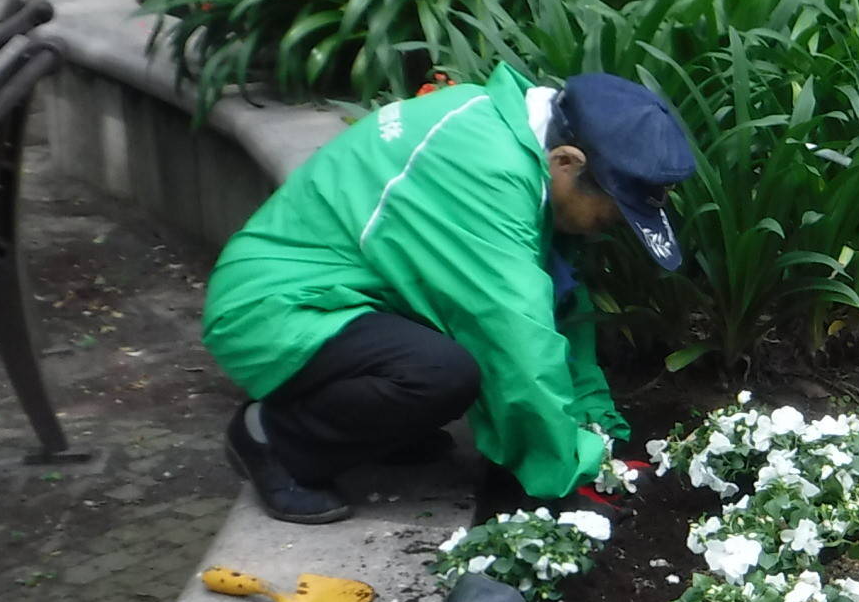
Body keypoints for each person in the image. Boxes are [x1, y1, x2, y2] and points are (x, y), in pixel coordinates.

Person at [205, 65, 695, 524]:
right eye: (611, 212)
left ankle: (375, 429)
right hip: (273, 309)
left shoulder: (517, 144)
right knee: (440, 373)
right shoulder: (487, 173)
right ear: (567, 162)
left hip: (345, 294)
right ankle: (275, 439)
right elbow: (515, 339)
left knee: (447, 364)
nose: (608, 228)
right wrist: (568, 476)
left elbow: (558, 306)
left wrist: (595, 429)